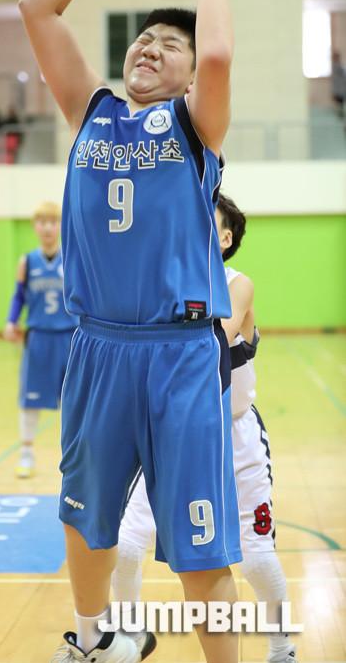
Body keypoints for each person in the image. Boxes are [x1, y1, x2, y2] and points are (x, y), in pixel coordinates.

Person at [20, 0, 242, 663]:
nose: (150, 47)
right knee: (85, 520)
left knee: (202, 551)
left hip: (179, 353)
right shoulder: (94, 112)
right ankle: (92, 642)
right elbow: (37, 8)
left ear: (187, 74)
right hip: (96, 346)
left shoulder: (195, 125)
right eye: (143, 38)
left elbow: (218, 51)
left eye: (168, 44)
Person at [112, 193, 298, 663]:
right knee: (127, 544)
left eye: (205, 219)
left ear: (226, 237)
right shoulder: (164, 284)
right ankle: (130, 635)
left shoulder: (238, 284)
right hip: (175, 436)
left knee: (256, 558)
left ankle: (281, 648)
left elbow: (215, 338)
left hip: (235, 438)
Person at [3, 201, 78, 477]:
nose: (47, 228)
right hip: (38, 338)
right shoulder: (27, 261)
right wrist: (11, 321)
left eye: (53, 222)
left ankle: (73, 455)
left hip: (69, 337)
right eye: (43, 222)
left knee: (74, 399)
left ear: (60, 226)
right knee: (30, 398)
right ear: (35, 226)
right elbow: (19, 296)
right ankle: (26, 454)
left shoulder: (72, 259)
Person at [331, 51, 345, 119]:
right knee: (339, 104)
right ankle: (340, 115)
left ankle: (340, 114)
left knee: (340, 104)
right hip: (339, 90)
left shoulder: (337, 66)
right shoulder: (336, 66)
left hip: (340, 90)